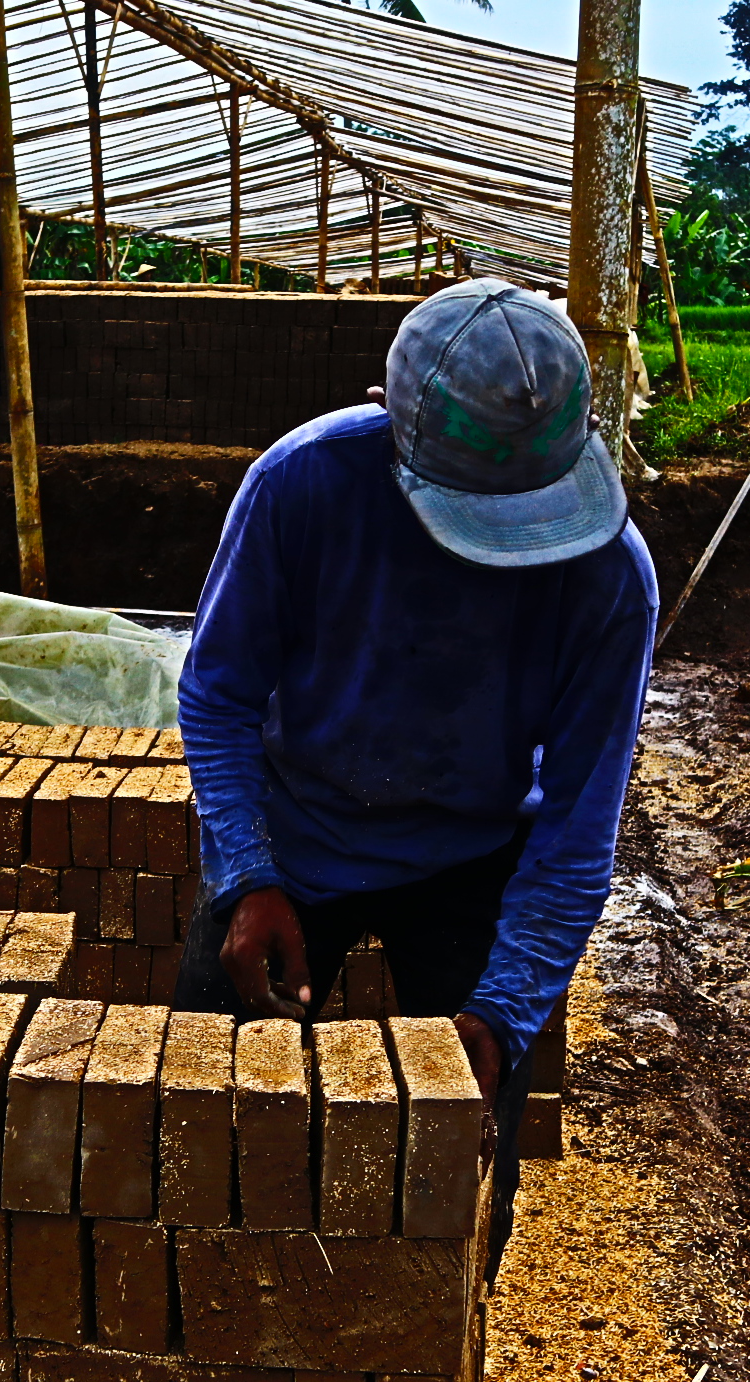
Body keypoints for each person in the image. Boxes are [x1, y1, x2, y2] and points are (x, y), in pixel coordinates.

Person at [171, 277, 657, 1259]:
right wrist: (246, 877)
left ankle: (459, 1318)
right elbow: (217, 695)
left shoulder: (609, 581)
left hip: (472, 858)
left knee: (472, 1170)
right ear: (393, 427)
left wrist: (502, 1013)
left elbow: (576, 835)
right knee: (197, 1124)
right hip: (295, 838)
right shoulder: (301, 488)